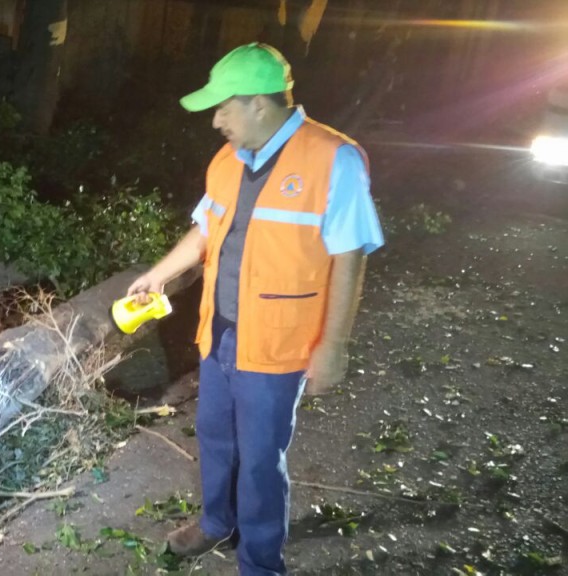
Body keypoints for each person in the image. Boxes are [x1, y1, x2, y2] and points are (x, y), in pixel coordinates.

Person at [126, 43, 384, 575]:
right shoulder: (228, 160)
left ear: (259, 104)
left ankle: (261, 562)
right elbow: (203, 232)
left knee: (262, 459)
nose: (216, 120)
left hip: (277, 344)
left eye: (224, 107)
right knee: (217, 438)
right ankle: (217, 523)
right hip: (218, 333)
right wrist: (157, 275)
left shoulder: (333, 159)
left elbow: (351, 258)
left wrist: (333, 347)